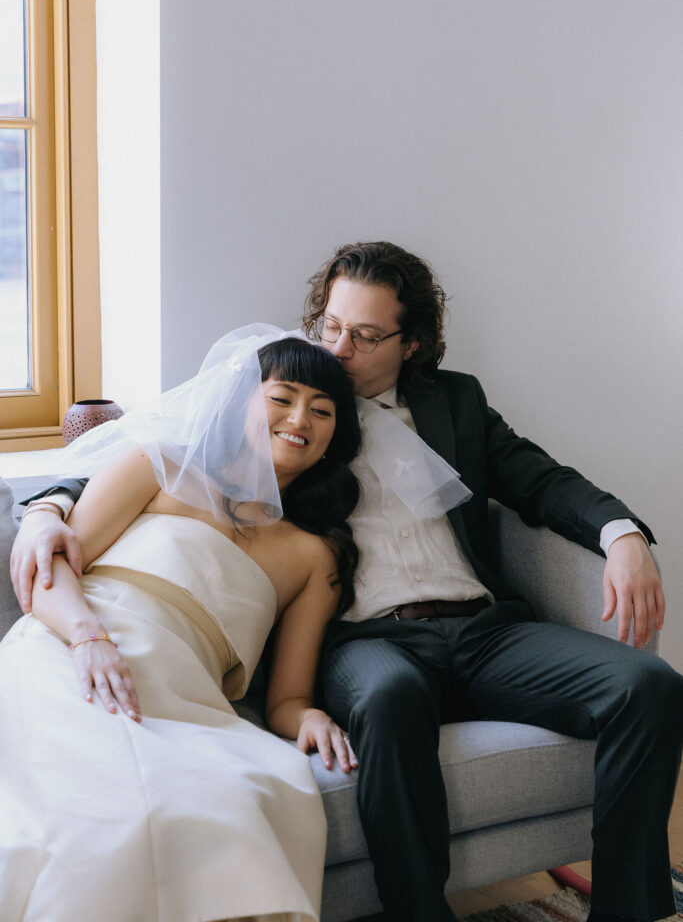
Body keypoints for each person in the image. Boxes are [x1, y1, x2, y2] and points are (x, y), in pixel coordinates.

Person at [12, 243, 683, 922]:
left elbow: (539, 479)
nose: (338, 348)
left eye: (363, 336)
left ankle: (627, 912)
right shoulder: (289, 414)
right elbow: (173, 452)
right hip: (368, 639)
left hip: (483, 629)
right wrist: (48, 507)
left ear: (411, 343)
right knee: (389, 699)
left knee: (650, 685)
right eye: (330, 326)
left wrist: (620, 533)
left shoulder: (455, 402)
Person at [1, 328, 363, 922]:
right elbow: (52, 571)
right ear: (242, 400)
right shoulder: (160, 466)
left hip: (184, 696)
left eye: (321, 411)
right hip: (68, 652)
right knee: (115, 819)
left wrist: (313, 717)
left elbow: (286, 700)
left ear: (333, 438)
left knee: (236, 800)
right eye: (282, 396)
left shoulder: (314, 558)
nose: (300, 418)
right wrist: (88, 639)